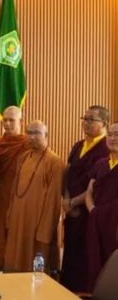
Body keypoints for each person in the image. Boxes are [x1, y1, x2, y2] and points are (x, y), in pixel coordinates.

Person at [61, 105, 110, 293]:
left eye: (91, 119)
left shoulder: (106, 149)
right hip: (71, 211)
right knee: (70, 254)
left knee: (87, 256)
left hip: (89, 212)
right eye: (85, 118)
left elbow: (96, 186)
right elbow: (69, 174)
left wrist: (74, 202)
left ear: (103, 123)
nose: (86, 122)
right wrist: (66, 199)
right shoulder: (78, 145)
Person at [4, 120, 64, 273]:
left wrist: (45, 229)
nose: (31, 137)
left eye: (36, 133)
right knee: (14, 260)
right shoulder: (23, 158)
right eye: (29, 133)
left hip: (37, 222)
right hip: (19, 220)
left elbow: (54, 200)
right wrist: (10, 214)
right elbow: (14, 191)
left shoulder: (55, 162)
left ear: (46, 135)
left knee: (35, 264)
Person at [0, 106, 27, 271]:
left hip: (20, 198)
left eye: (12, 120)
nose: (7, 124)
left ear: (20, 121)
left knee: (16, 234)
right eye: (5, 120)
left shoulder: (26, 144)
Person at [85, 122, 118, 292]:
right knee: (96, 261)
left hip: (116, 224)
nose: (112, 138)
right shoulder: (100, 164)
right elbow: (89, 191)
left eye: (117, 134)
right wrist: (92, 210)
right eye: (110, 134)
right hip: (97, 221)